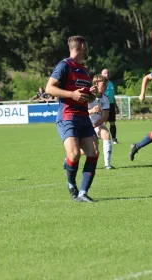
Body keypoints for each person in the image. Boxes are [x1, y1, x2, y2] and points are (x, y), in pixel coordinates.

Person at [46, 35, 99, 203]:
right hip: (67, 115)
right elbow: (49, 88)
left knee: (94, 152)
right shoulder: (64, 65)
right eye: (87, 45)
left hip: (83, 116)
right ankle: (71, 185)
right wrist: (71, 95)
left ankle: (82, 193)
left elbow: (86, 97)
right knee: (74, 154)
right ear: (82, 45)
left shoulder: (84, 69)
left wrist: (92, 95)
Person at [88, 74, 115, 170]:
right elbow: (79, 113)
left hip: (97, 124)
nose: (106, 86)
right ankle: (68, 158)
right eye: (104, 84)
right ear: (96, 84)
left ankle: (107, 164)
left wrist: (94, 125)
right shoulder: (87, 96)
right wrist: (91, 111)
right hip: (85, 125)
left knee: (106, 134)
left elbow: (104, 116)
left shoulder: (105, 98)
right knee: (87, 150)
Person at [101, 68, 119, 144]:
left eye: (107, 73)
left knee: (112, 123)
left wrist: (116, 106)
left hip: (111, 105)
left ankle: (114, 139)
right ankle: (101, 137)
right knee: (102, 122)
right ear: (101, 74)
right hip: (103, 105)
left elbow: (112, 96)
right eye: (105, 73)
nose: (107, 74)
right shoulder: (100, 84)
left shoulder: (111, 83)